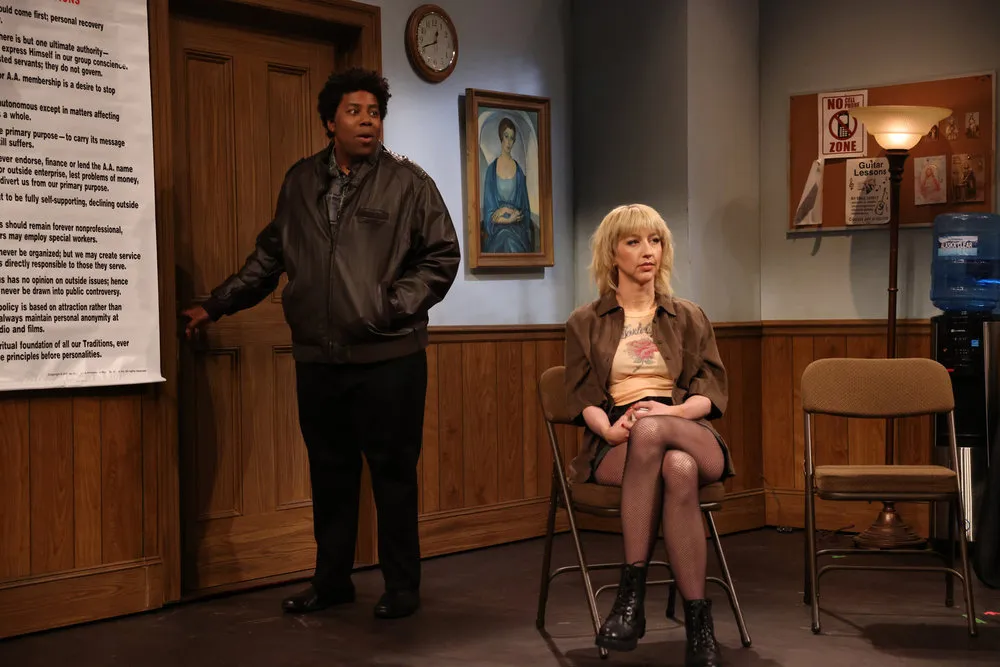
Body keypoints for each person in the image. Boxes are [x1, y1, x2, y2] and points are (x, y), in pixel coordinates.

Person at [182, 67, 461, 620]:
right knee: (330, 476)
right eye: (355, 112)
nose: (368, 121)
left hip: (390, 359)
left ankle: (402, 587)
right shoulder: (300, 181)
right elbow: (269, 258)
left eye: (375, 113)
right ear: (330, 122)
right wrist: (216, 304)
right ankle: (331, 582)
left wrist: (387, 307)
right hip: (318, 359)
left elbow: (441, 257)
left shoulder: (410, 183)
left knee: (393, 477)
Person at [564, 204, 732, 666]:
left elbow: (711, 393)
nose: (648, 251)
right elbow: (581, 396)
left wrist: (669, 412)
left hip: (686, 424)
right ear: (611, 253)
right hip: (620, 438)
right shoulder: (585, 321)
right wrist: (609, 428)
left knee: (657, 431)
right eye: (634, 242)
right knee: (677, 469)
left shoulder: (689, 316)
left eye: (655, 241)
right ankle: (700, 628)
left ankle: (630, 599)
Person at [481, 117, 533, 253]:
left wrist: (506, 211)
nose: (509, 142)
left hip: (517, 229)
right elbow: (490, 216)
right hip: (497, 230)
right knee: (505, 238)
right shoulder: (491, 171)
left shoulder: (519, 172)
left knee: (511, 240)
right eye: (506, 136)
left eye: (512, 138)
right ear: (501, 137)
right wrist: (506, 218)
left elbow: (524, 211)